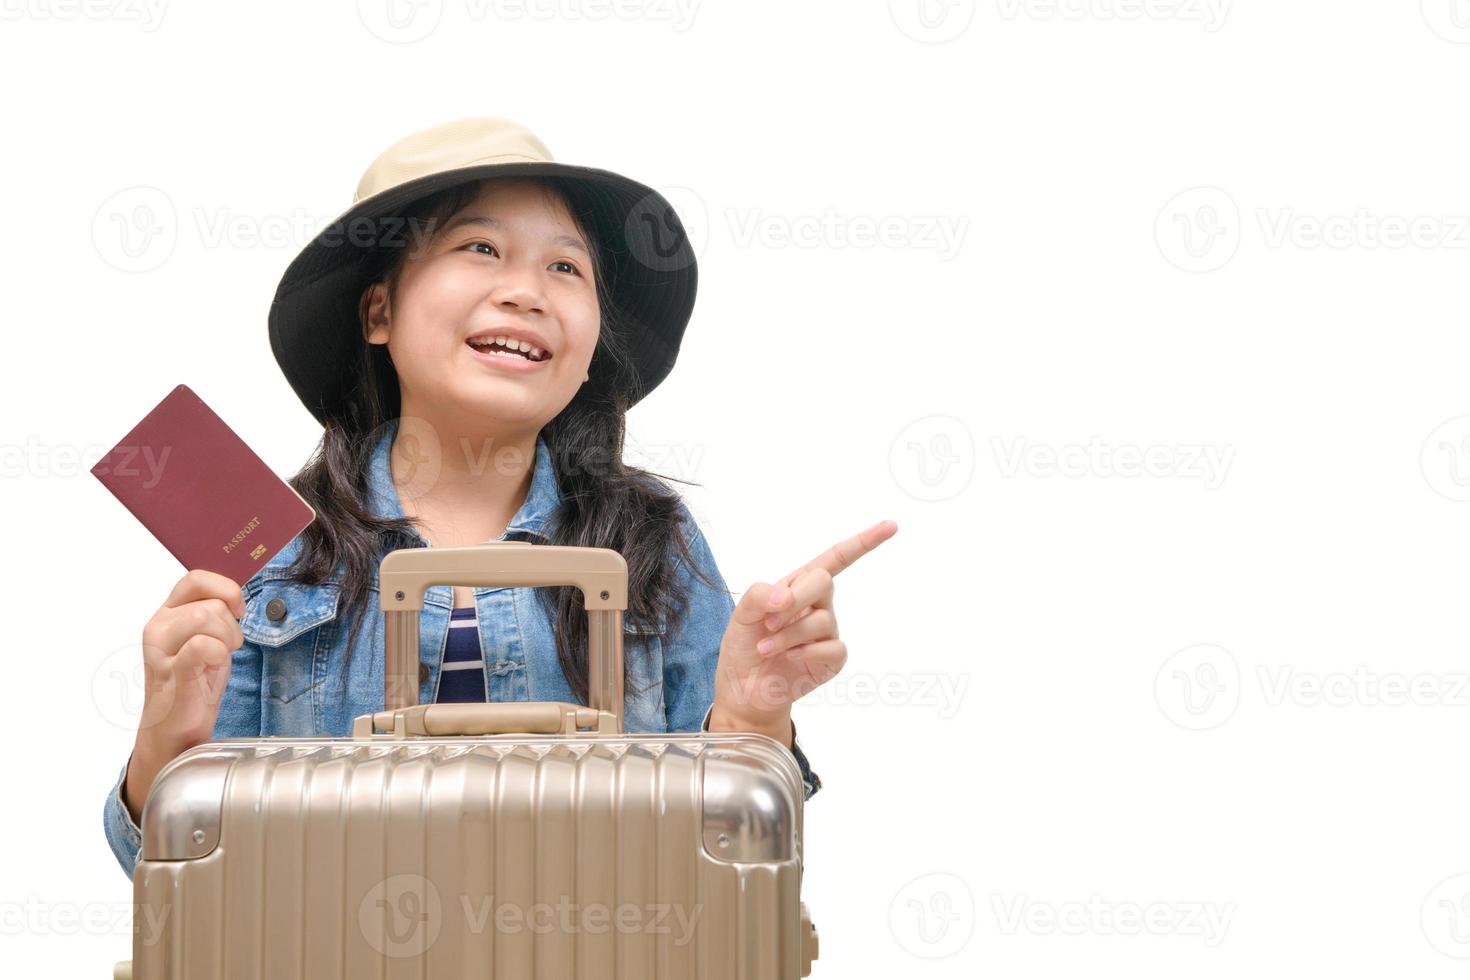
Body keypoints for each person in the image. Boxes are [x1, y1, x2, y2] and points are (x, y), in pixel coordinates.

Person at [102, 116, 897, 879]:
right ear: (380, 309)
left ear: (588, 352)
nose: (527, 291)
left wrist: (754, 717)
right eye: (479, 247)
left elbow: (735, 861)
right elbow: (176, 876)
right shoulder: (275, 556)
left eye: (565, 267)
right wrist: (164, 742)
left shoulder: (654, 542)